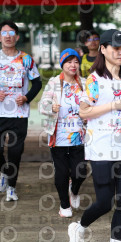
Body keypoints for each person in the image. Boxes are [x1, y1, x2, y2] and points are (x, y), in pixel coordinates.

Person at [67, 29, 121, 242]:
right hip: (101, 148)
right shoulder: (94, 80)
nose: (120, 52)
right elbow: (84, 112)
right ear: (103, 49)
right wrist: (113, 105)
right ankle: (79, 228)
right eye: (115, 48)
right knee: (105, 202)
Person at [0, 20, 42, 202]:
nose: (8, 36)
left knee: (15, 153)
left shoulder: (26, 59)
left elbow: (37, 83)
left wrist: (26, 98)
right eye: (4, 33)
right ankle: (5, 173)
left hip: (19, 114)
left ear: (17, 37)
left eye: (11, 33)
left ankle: (11, 188)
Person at [39, 48, 88, 217]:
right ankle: (64, 205)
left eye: (76, 62)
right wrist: (51, 107)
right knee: (61, 172)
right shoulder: (54, 83)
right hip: (58, 135)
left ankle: (74, 190)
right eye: (69, 62)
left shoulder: (84, 83)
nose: (73, 65)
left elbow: (92, 104)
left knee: (80, 171)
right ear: (62, 64)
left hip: (79, 135)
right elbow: (42, 105)